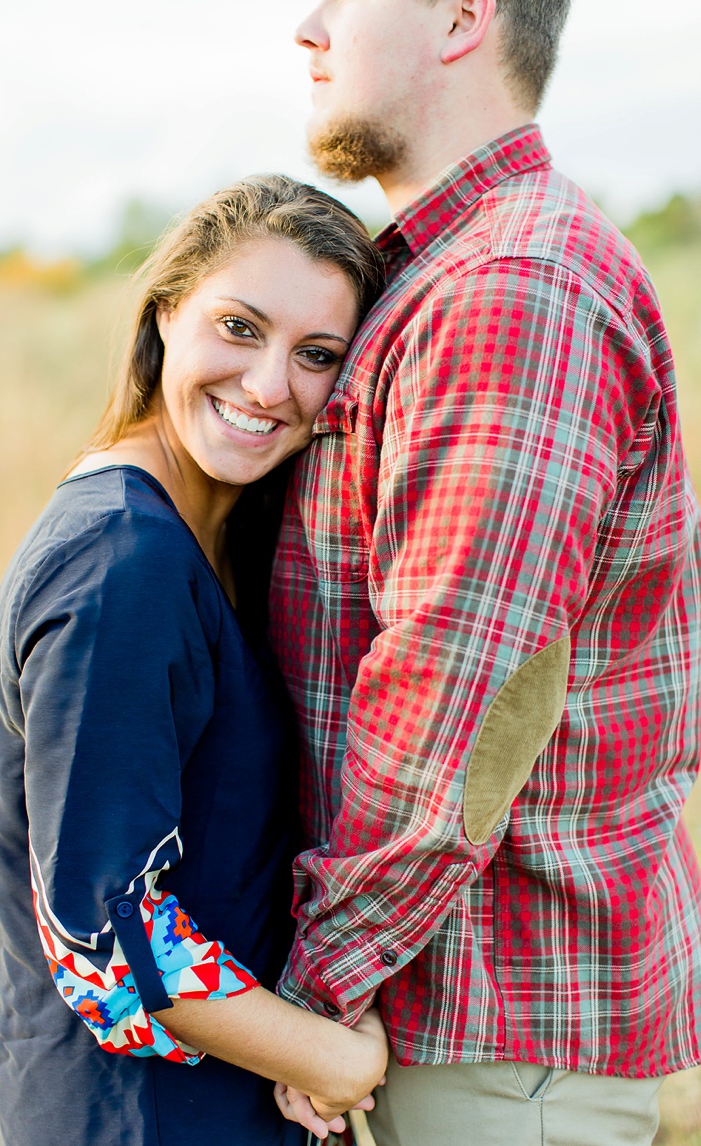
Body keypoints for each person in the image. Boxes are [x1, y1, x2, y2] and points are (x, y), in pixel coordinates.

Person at [269, 2, 701, 1142]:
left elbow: (455, 701)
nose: (304, 28)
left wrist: (314, 996)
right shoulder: (456, 268)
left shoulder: (510, 290)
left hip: (493, 1028)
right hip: (467, 1011)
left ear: (462, 17)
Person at [0, 175, 390, 1145]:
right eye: (239, 327)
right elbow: (106, 943)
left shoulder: (210, 536)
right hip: (133, 1121)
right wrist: (333, 1058)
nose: (268, 385)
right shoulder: (123, 565)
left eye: (316, 354)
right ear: (164, 313)